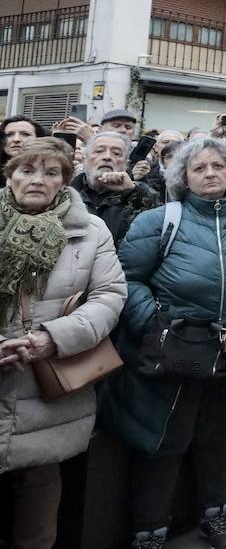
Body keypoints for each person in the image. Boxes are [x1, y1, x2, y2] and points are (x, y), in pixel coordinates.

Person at [103, 136, 226, 549]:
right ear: (183, 177)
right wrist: (156, 322)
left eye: (218, 166)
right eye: (199, 168)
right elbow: (126, 279)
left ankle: (215, 513)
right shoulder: (158, 222)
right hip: (173, 353)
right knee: (164, 440)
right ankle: (149, 530)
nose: (210, 174)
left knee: (218, 437)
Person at [0, 138, 126, 549]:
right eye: (27, 170)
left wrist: (51, 340)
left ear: (65, 181)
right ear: (10, 174)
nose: (38, 180)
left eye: (51, 172)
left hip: (47, 385)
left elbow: (109, 296)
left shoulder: (91, 231)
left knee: (39, 497)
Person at [70, 131, 159, 246]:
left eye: (116, 153)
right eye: (99, 151)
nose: (107, 157)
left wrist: (133, 192)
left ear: (126, 165)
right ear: (84, 160)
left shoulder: (135, 196)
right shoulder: (65, 193)